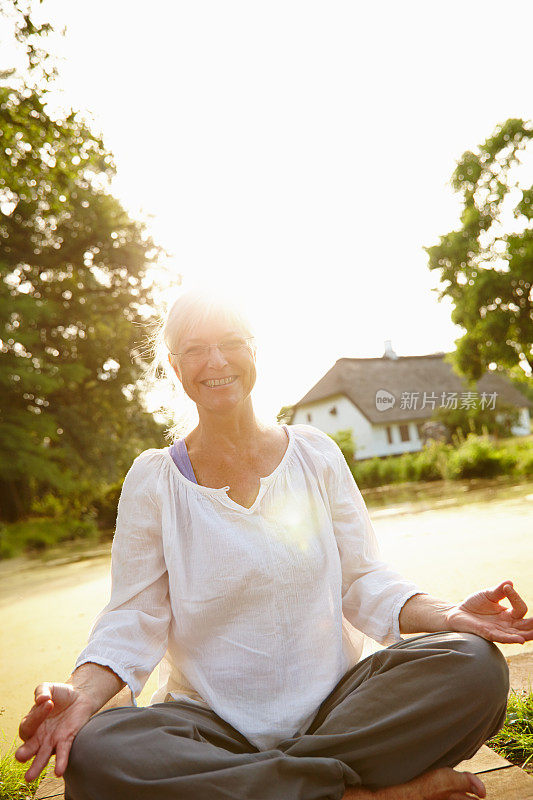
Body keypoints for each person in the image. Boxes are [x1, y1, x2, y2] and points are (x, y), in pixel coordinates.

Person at [16, 289, 532, 800]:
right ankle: (364, 795)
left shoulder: (315, 453)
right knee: (95, 754)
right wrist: (82, 696)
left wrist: (448, 616)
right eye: (194, 349)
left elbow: (363, 578)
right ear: (174, 367)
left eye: (230, 342)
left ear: (254, 351)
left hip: (338, 710)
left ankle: (258, 788)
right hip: (209, 724)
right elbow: (134, 615)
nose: (215, 361)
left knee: (475, 666)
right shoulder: (153, 480)